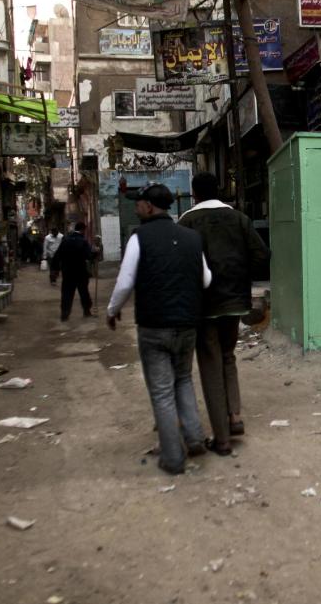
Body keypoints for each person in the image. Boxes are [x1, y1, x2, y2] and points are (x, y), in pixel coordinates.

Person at [106, 184, 213, 475]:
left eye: (138, 203)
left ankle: (173, 458)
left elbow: (126, 282)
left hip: (154, 327)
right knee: (183, 380)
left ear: (150, 207)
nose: (136, 207)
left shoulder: (140, 237)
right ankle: (194, 438)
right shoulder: (192, 237)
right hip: (187, 323)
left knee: (162, 392)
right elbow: (205, 279)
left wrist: (112, 311)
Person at [179, 172, 269, 456]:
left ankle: (222, 439)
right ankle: (235, 417)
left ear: (194, 194)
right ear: (219, 190)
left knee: (209, 365)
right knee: (228, 357)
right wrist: (240, 278)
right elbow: (261, 255)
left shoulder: (186, 222)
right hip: (234, 301)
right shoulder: (239, 219)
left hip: (204, 306)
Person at [53, 222, 96, 321]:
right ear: (83, 230)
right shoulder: (83, 241)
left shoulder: (65, 240)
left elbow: (57, 255)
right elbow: (89, 256)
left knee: (67, 293)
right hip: (80, 272)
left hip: (67, 272)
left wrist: (55, 269)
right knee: (84, 292)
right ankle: (86, 311)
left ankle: (65, 314)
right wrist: (95, 254)